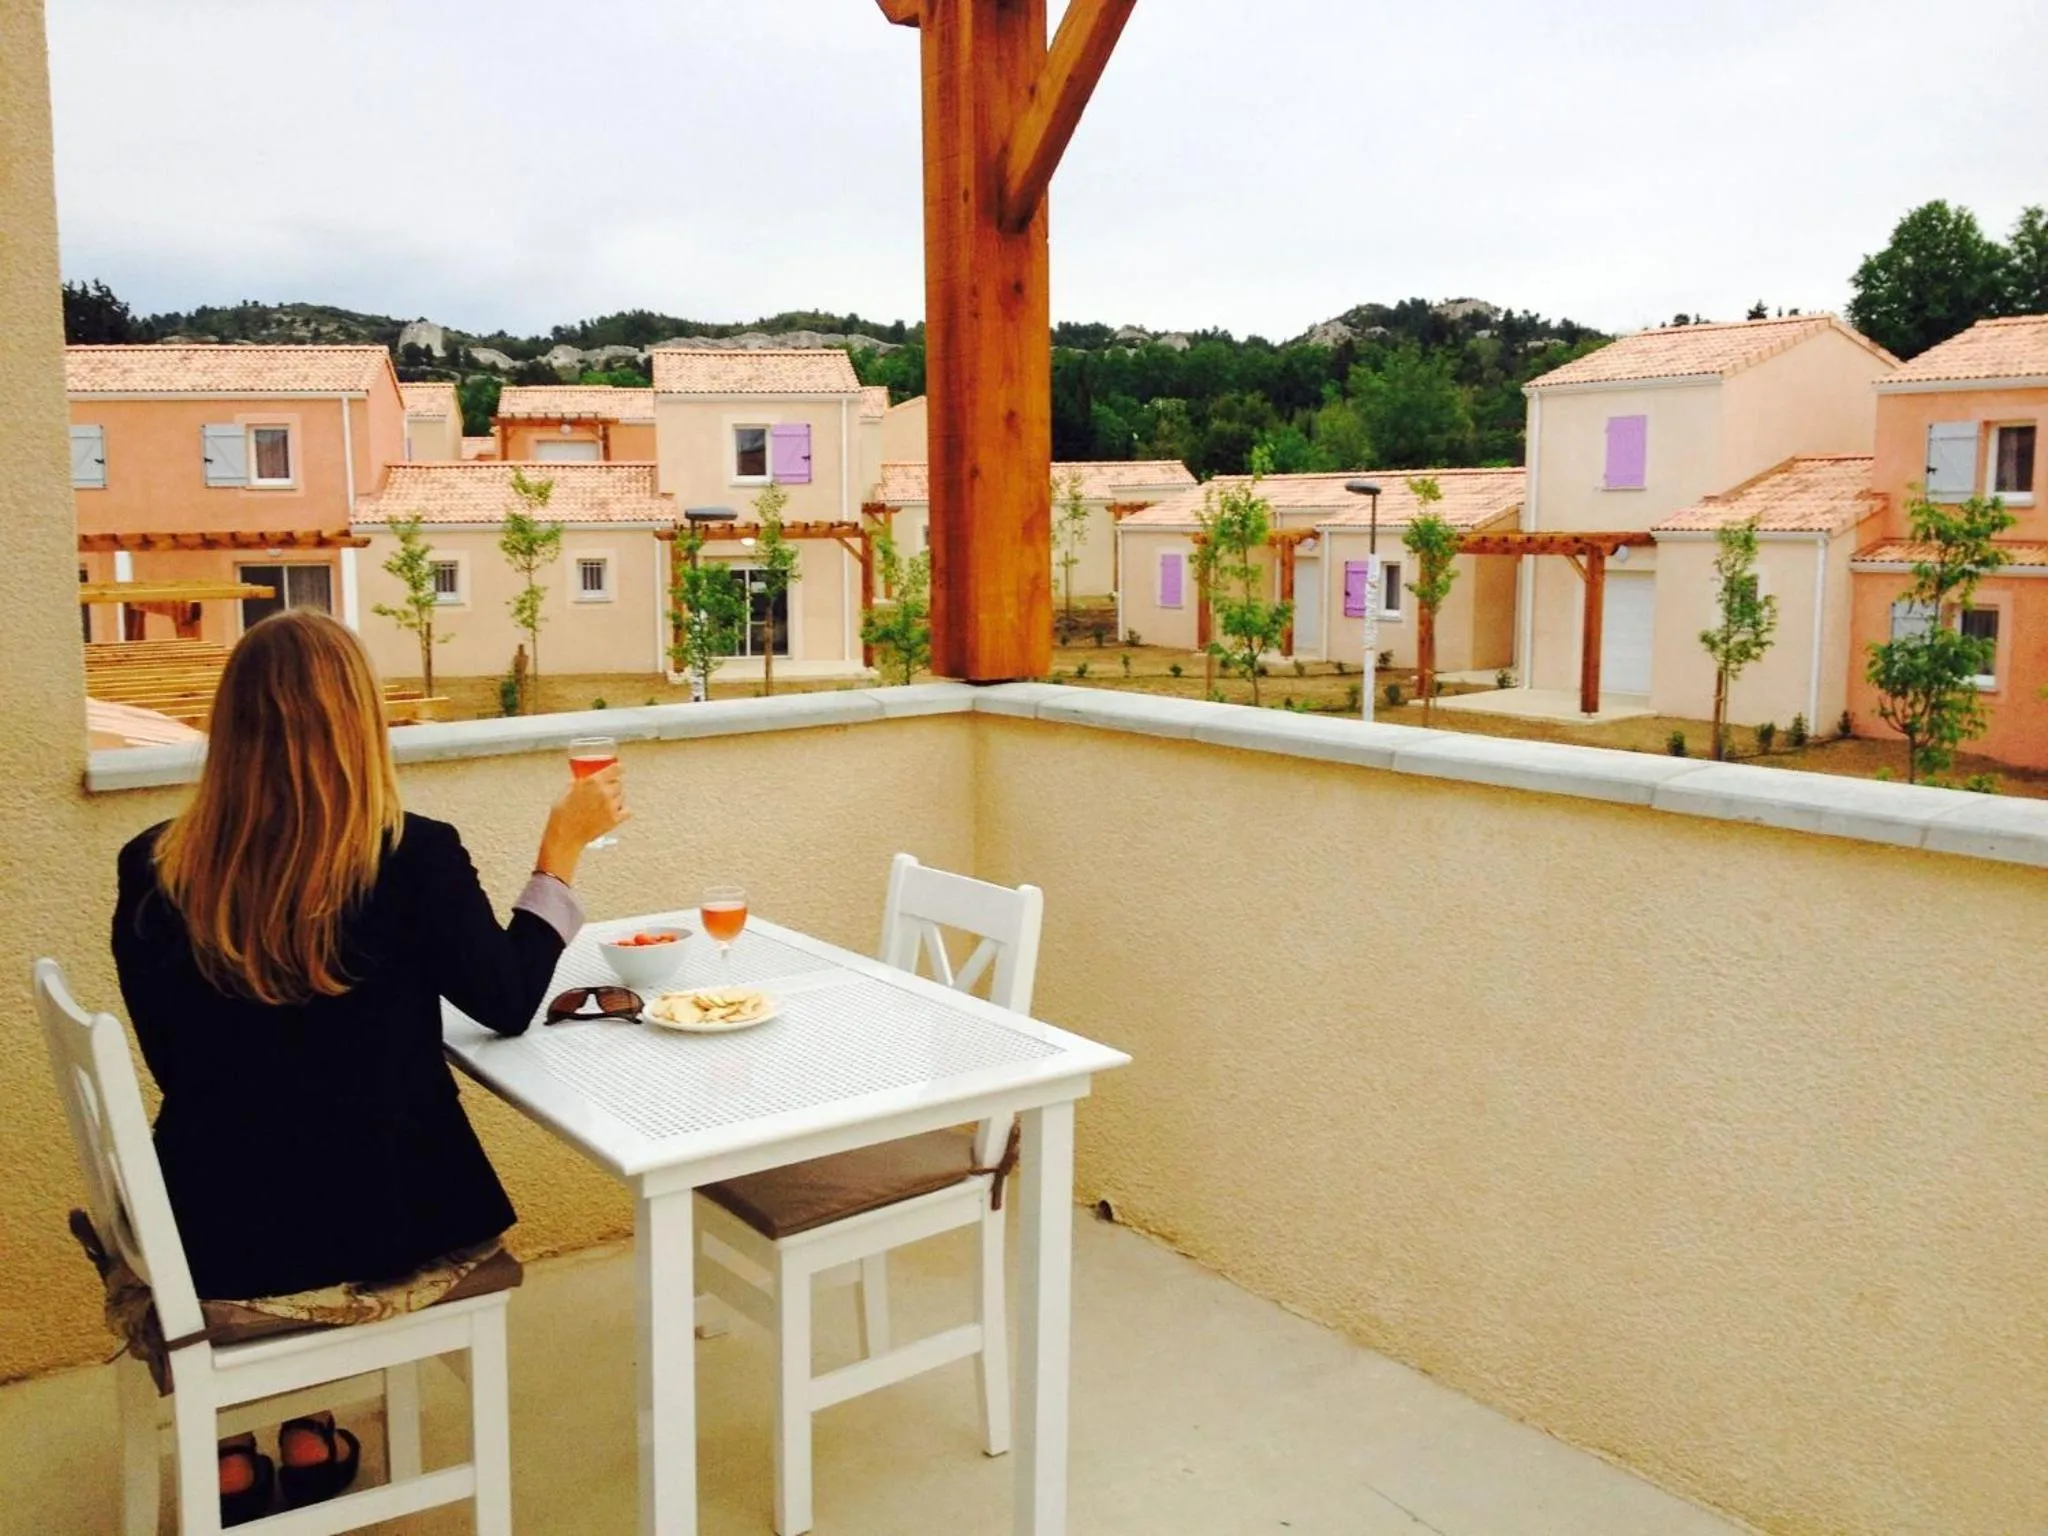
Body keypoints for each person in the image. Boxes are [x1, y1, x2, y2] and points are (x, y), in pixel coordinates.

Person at [111, 610, 625, 1524]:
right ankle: (308, 1439)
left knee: (266, 1158)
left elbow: (174, 1063)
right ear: (359, 724)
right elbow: (507, 1001)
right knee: (332, 1176)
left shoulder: (152, 867)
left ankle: (235, 1450)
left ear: (229, 729)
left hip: (206, 1233)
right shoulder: (412, 855)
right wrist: (562, 850)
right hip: (378, 1227)